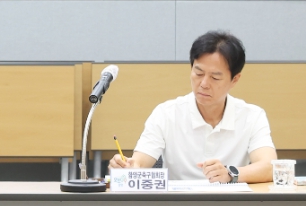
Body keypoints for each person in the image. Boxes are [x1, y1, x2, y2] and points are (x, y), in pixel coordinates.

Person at [109, 31, 277, 182]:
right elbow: (139, 162)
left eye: (215, 78)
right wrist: (127, 167)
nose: (203, 84)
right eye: (198, 73)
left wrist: (229, 174)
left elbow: (270, 167)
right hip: (179, 201)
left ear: (235, 79)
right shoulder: (166, 113)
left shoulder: (252, 116)